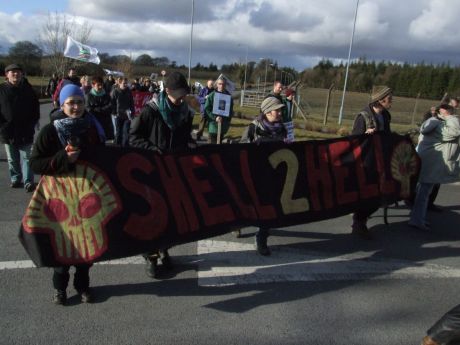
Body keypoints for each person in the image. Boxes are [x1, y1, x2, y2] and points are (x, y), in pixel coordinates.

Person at [29, 84, 106, 305]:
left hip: (87, 193)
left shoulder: (93, 127)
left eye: (79, 102)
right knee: (62, 247)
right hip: (59, 196)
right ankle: (59, 289)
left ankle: (83, 287)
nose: (76, 106)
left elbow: (103, 155)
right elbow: (35, 163)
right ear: (62, 104)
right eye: (71, 102)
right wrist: (63, 158)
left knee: (85, 247)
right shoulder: (50, 130)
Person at [129, 71, 195, 278]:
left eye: (184, 94)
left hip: (173, 173)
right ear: (167, 91)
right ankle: (151, 258)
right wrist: (152, 150)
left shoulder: (186, 113)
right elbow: (134, 137)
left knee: (171, 217)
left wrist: (191, 147)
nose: (183, 98)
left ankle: (165, 251)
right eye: (179, 94)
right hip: (152, 172)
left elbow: (185, 141)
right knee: (152, 218)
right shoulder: (151, 111)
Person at [240, 97, 287, 255]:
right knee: (247, 203)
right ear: (267, 111)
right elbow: (241, 151)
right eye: (277, 110)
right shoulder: (254, 128)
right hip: (254, 175)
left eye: (281, 110)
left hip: (273, 176)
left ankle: (262, 238)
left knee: (270, 208)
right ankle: (238, 223)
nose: (280, 113)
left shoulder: (282, 129)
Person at [350, 86, 393, 239]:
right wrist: (365, 136)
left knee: (380, 195)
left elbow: (386, 135)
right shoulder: (364, 117)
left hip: (380, 161)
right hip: (366, 163)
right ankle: (359, 222)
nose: (392, 102)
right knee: (369, 195)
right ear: (381, 100)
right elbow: (353, 141)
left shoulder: (385, 116)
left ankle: (361, 219)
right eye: (389, 99)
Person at [408, 103, 460, 230]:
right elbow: (455, 132)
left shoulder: (434, 122)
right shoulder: (440, 125)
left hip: (428, 161)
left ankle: (417, 218)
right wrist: (451, 117)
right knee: (424, 193)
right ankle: (417, 220)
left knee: (423, 191)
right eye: (449, 109)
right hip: (430, 163)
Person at [0, 64, 40, 192]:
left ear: (22, 74)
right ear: (7, 75)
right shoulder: (1, 90)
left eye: (18, 72)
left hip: (25, 129)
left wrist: (33, 122)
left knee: (28, 157)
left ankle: (29, 181)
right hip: (8, 130)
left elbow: (35, 107)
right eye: (12, 72)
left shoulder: (28, 89)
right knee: (12, 159)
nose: (16, 74)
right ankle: (16, 178)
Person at [204, 77, 234, 144]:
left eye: (223, 84)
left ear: (225, 85)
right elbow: (207, 109)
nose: (221, 86)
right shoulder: (212, 95)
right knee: (212, 146)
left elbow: (230, 111)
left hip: (223, 127)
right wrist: (215, 117)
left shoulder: (229, 97)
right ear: (217, 84)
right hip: (213, 127)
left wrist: (227, 119)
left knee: (219, 147)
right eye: (220, 84)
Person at [85, 76, 114, 141]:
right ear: (93, 85)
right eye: (98, 85)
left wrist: (98, 110)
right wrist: (101, 110)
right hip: (94, 124)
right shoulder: (88, 96)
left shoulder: (106, 95)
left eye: (101, 85)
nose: (100, 87)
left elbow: (110, 107)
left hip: (105, 124)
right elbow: (88, 109)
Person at [111, 77, 134, 146]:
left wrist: (132, 112)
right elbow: (112, 103)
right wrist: (114, 113)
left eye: (126, 83)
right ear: (120, 83)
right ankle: (117, 147)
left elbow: (131, 103)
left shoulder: (129, 92)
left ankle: (125, 148)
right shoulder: (115, 91)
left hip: (127, 116)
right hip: (118, 115)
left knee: (126, 132)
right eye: (124, 83)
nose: (125, 85)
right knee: (118, 133)